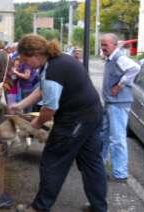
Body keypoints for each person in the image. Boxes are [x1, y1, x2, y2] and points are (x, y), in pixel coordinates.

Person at [10, 35, 107, 212]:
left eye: (26, 60)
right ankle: (99, 207)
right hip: (92, 114)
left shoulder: (53, 70)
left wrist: (36, 123)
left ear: (36, 54)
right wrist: (20, 105)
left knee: (52, 161)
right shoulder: (60, 59)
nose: (26, 65)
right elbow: (42, 88)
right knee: (91, 163)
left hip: (75, 120)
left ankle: (39, 208)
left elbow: (49, 109)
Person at [100, 33, 140, 182]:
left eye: (105, 45)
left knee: (117, 139)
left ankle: (120, 173)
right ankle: (101, 165)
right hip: (111, 103)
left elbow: (135, 68)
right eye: (102, 44)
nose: (103, 47)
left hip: (118, 104)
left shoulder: (119, 58)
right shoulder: (111, 58)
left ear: (114, 45)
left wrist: (120, 85)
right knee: (104, 135)